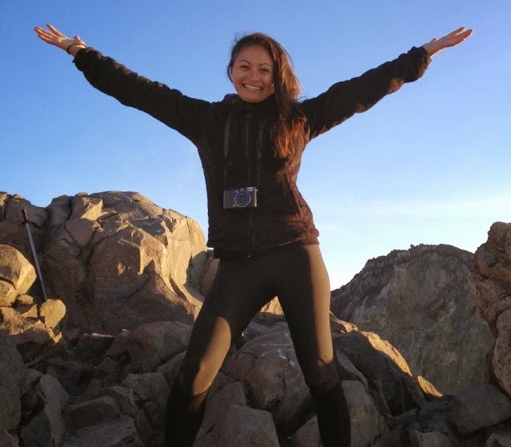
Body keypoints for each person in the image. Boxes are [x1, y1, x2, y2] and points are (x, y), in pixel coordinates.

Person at [35, 23, 472, 446]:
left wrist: (421, 56)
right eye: (245, 67)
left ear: (276, 77)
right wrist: (81, 53)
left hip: (296, 255)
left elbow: (359, 90)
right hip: (238, 264)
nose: (254, 77)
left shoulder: (298, 119)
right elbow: (140, 91)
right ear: (231, 71)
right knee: (194, 375)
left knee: (321, 373)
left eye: (264, 70)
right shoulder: (207, 119)